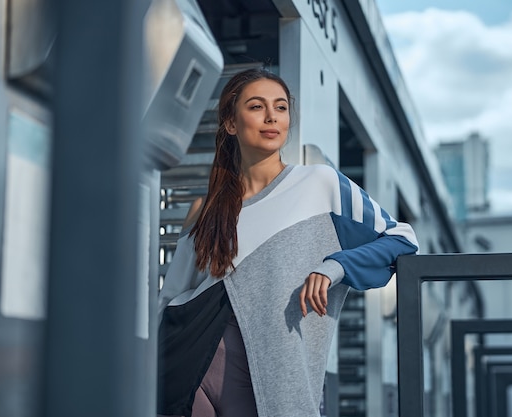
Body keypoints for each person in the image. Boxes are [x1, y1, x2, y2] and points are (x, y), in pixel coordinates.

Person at [157, 68, 419, 417]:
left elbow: (402, 238)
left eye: (280, 108)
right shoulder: (205, 210)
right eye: (256, 106)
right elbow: (170, 297)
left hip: (273, 386)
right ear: (231, 123)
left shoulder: (320, 185)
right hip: (187, 370)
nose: (271, 117)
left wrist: (333, 268)